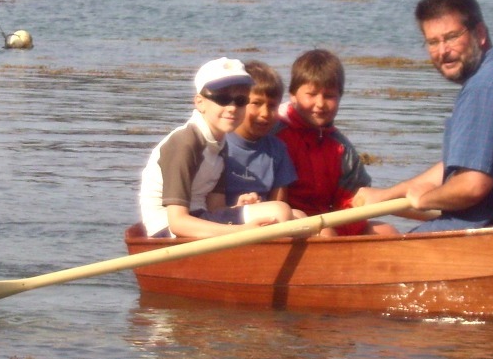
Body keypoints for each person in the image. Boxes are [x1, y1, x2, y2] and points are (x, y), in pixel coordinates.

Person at [356, 0, 493, 232]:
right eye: (433, 42)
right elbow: (458, 164)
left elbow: (472, 185)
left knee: (382, 258)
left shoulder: (486, 89)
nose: (443, 51)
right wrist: (389, 195)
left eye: (452, 37)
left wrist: (424, 200)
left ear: (480, 33)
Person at [139, 57, 295, 238]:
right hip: (166, 231)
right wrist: (242, 230)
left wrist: (239, 208)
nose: (232, 108)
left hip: (199, 217)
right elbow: (178, 223)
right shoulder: (184, 144)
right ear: (199, 102)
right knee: (279, 211)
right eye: (222, 99)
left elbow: (216, 208)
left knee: (297, 216)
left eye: (240, 100)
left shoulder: (219, 144)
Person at [275, 49, 397, 236]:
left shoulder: (341, 149)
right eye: (312, 94)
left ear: (340, 96)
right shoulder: (276, 135)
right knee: (325, 235)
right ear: (293, 95)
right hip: (287, 222)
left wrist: (342, 230)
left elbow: (353, 200)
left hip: (328, 223)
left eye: (329, 96)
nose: (320, 103)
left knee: (386, 232)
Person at [223, 60, 299, 208]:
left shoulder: (277, 150)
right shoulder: (218, 143)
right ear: (238, 102)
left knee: (305, 219)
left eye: (272, 106)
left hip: (264, 220)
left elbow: (279, 204)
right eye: (256, 103)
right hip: (222, 221)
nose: (265, 114)